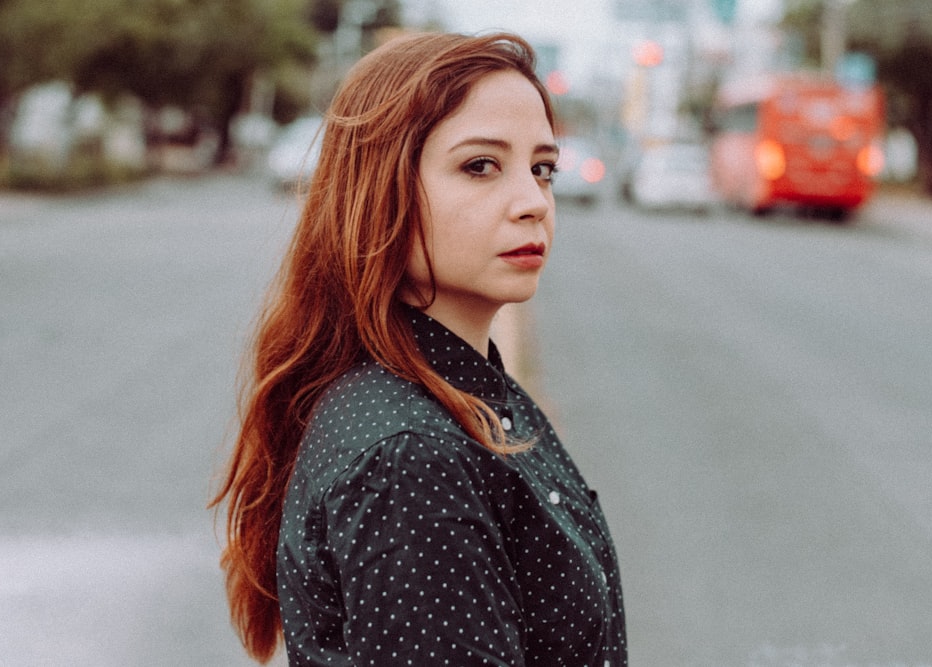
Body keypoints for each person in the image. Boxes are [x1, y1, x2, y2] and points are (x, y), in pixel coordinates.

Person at [211, 31, 627, 666]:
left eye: (543, 169)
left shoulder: (463, 392)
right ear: (382, 190)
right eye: (479, 166)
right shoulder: (408, 459)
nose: (533, 203)